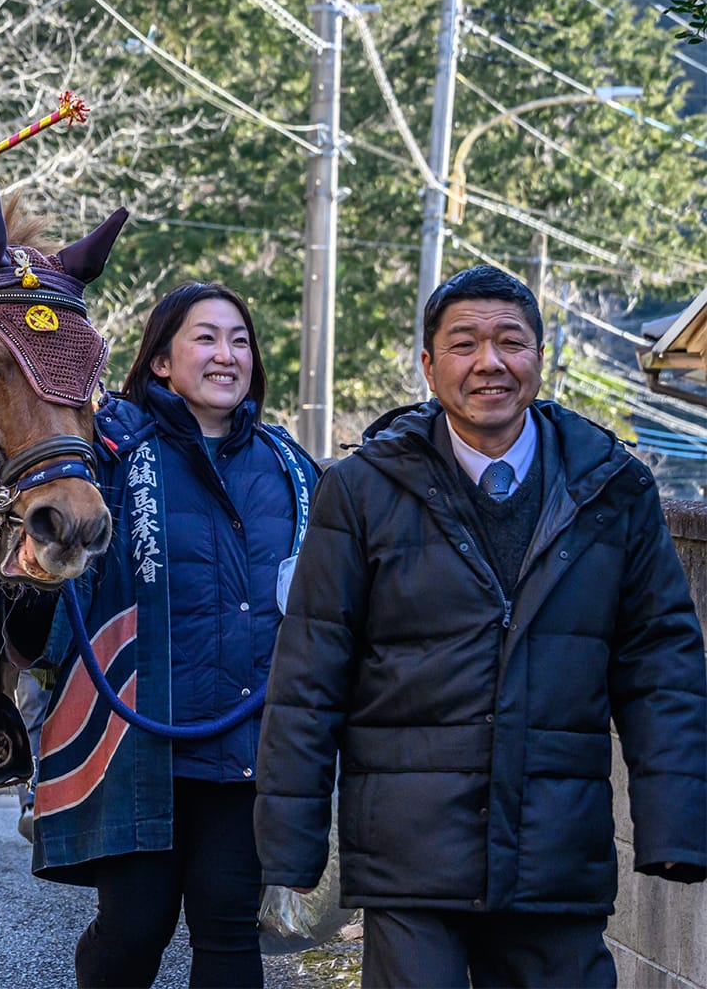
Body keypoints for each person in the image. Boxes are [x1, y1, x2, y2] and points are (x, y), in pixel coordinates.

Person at [255, 266, 707, 987]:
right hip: (408, 854)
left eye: (511, 342)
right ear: (429, 366)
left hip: (557, 852)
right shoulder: (364, 489)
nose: (489, 362)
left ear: (540, 357)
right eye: (464, 344)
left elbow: (664, 668)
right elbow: (309, 675)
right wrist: (289, 847)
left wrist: (677, 827)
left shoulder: (612, 488)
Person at [31, 282, 319, 989]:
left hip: (247, 749)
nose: (228, 355)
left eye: (241, 339)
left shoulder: (292, 469)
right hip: (137, 747)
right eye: (207, 338)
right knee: (134, 929)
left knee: (227, 928)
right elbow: (57, 599)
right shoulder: (113, 456)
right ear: (160, 360)